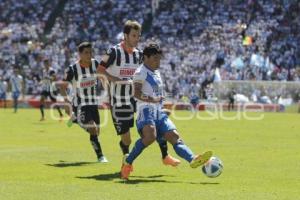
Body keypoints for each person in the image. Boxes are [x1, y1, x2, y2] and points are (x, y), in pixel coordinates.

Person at [121, 43, 213, 180]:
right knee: (150, 137)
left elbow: (157, 93)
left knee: (174, 137)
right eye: (155, 59)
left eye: (159, 59)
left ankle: (193, 159)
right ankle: (128, 162)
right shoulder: (140, 73)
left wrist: (161, 105)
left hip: (159, 112)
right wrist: (152, 100)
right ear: (145, 57)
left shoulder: (156, 72)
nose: (158, 62)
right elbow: (136, 93)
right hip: (145, 111)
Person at [98, 20, 180, 166]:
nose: (137, 39)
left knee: (156, 124)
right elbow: (99, 70)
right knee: (127, 139)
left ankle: (165, 156)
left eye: (139, 36)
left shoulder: (140, 54)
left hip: (137, 99)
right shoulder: (113, 52)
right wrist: (114, 79)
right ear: (125, 36)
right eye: (134, 35)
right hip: (119, 100)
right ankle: (126, 156)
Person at [60, 42, 108, 163]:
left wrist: (107, 91)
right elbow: (62, 86)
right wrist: (66, 101)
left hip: (93, 103)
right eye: (86, 52)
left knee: (97, 131)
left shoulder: (96, 64)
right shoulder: (72, 69)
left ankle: (76, 120)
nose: (89, 55)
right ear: (80, 54)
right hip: (80, 104)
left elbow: (102, 77)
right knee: (92, 128)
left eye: (90, 52)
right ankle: (101, 156)